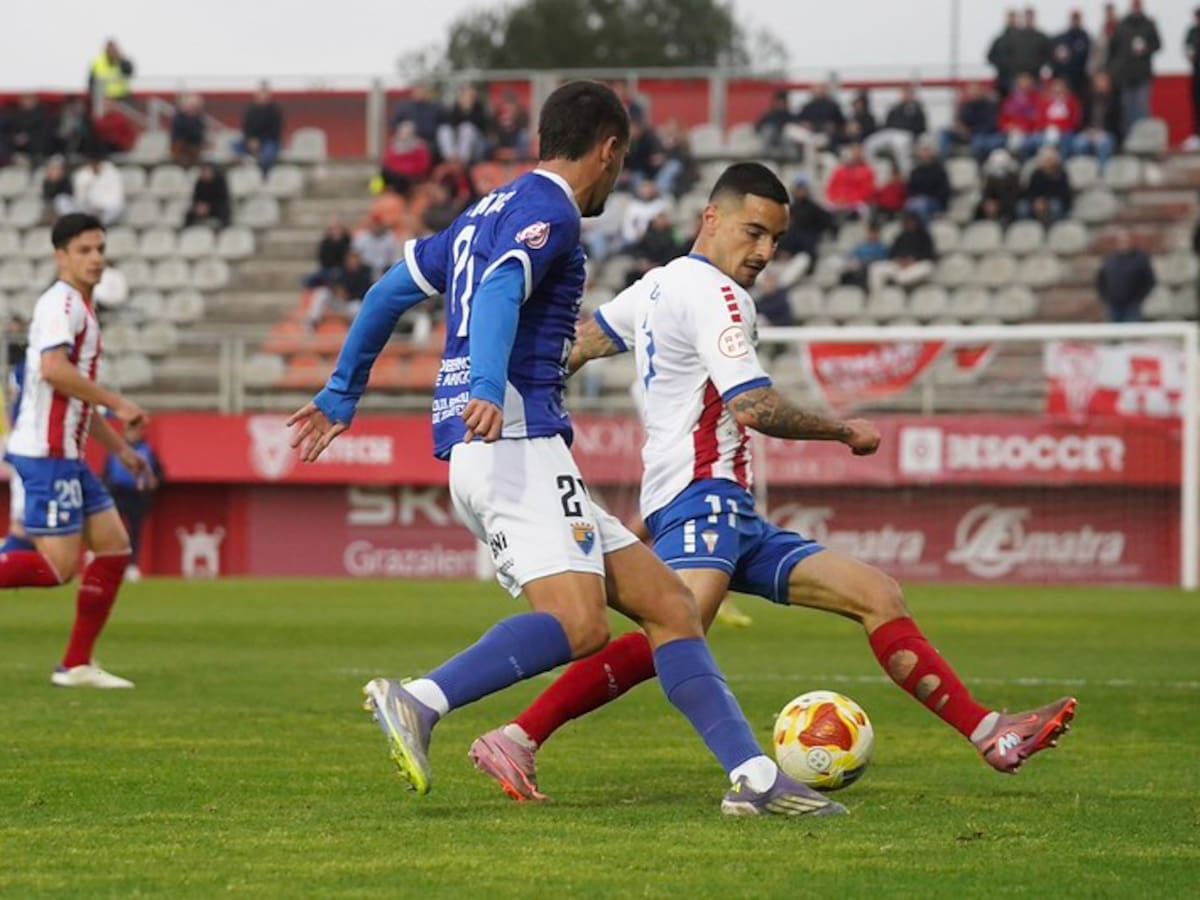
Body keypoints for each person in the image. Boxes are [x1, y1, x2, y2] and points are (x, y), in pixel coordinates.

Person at [287, 81, 846, 818]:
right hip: (512, 440)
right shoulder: (549, 209)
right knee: (581, 625)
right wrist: (488, 382)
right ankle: (420, 699)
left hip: (501, 445)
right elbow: (497, 287)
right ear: (609, 150)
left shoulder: (486, 208)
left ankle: (756, 778)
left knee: (671, 607)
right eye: (623, 160)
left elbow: (390, 292)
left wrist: (342, 390)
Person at [469, 162, 1076, 802]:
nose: (764, 252)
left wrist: (504, 374)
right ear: (712, 218)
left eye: (776, 240)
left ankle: (990, 733)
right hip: (703, 500)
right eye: (753, 232)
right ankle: (523, 736)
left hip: (732, 512)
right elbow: (752, 407)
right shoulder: (717, 294)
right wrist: (843, 431)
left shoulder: (655, 286)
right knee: (674, 631)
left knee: (876, 594)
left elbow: (583, 342)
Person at [0, 213, 151, 689]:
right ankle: (75, 664)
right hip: (47, 455)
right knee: (55, 568)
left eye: (100, 249)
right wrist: (118, 402)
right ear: (60, 256)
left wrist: (118, 447)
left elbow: (74, 396)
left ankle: (76, 664)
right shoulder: (59, 304)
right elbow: (53, 371)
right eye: (85, 250)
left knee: (113, 547)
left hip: (67, 452)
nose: (96, 259)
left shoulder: (82, 307)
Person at [103, 417, 161, 582]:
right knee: (113, 532)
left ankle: (132, 566)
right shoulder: (116, 449)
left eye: (136, 430)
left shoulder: (147, 450)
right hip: (117, 495)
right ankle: (111, 564)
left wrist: (152, 483)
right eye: (130, 430)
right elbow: (106, 473)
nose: (133, 433)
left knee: (135, 532)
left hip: (137, 496)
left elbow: (158, 474)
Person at [1109, 0, 1161, 132]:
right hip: (1125, 75)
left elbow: (1158, 45)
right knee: (1126, 108)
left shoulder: (1149, 24)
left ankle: (1144, 138)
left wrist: (1146, 49)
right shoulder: (1122, 25)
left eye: (1138, 6)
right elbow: (1113, 49)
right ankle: (1128, 138)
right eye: (1134, 6)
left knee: (1142, 107)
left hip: (1143, 74)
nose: (1136, 9)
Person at [868, 209, 936, 293]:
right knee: (875, 268)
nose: (909, 224)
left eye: (912, 221)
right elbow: (892, 253)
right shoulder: (901, 236)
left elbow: (929, 254)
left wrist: (913, 260)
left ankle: (901, 287)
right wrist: (898, 260)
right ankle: (877, 296)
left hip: (916, 265)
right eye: (907, 221)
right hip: (899, 265)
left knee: (927, 266)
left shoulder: (924, 236)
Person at [778, 174, 834, 273]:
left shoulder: (814, 209)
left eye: (803, 188)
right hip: (786, 254)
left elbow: (829, 223)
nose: (801, 191)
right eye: (799, 188)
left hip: (805, 253)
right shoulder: (790, 209)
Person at [1097, 228, 1155, 322]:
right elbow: (1100, 280)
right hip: (1113, 306)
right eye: (1121, 240)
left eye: (1126, 240)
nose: (1124, 242)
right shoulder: (1110, 259)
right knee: (1113, 334)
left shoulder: (1140, 259)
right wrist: (1106, 298)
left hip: (1132, 307)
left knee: (1132, 333)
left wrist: (1138, 298)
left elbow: (1149, 281)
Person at [865, 85, 926, 171]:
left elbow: (921, 127)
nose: (906, 95)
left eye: (908, 93)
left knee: (900, 145)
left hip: (906, 134)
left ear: (912, 95)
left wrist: (915, 136)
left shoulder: (917, 109)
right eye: (904, 93)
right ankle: (870, 170)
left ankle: (905, 172)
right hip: (890, 132)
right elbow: (886, 123)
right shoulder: (895, 108)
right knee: (870, 142)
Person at [939, 82, 1004, 160]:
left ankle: (978, 165)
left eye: (975, 91)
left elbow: (991, 126)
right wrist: (959, 128)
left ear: (981, 91)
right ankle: (944, 160)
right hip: (964, 133)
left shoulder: (989, 106)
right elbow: (960, 120)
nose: (972, 93)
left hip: (981, 134)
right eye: (970, 91)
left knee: (979, 141)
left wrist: (970, 131)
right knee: (944, 133)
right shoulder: (966, 106)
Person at [1071, 71, 1122, 163]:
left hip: (1107, 133)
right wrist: (1088, 131)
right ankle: (1083, 170)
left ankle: (1102, 173)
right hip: (1089, 132)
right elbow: (1082, 120)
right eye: (1098, 81)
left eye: (1103, 81)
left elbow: (1118, 124)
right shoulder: (1088, 100)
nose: (1101, 84)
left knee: (1103, 144)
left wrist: (1102, 132)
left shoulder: (1116, 101)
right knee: (1079, 143)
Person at [236, 82, 284, 173]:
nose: (261, 98)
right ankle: (249, 160)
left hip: (270, 141)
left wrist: (259, 142)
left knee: (268, 155)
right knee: (234, 146)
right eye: (260, 95)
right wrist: (250, 140)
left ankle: (264, 175)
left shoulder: (275, 111)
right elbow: (246, 128)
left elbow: (275, 131)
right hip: (251, 142)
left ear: (268, 97)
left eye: (264, 95)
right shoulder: (251, 111)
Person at [437, 84, 489, 165]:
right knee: (443, 129)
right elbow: (452, 124)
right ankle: (451, 158)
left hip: (476, 144)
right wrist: (461, 109)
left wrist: (468, 111)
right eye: (466, 95)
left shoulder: (479, 108)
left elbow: (481, 127)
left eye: (471, 95)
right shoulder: (456, 108)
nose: (468, 98)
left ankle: (461, 162)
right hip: (458, 143)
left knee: (467, 127)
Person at [1020, 146, 1073, 224]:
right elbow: (1030, 191)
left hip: (1056, 201)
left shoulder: (1061, 174)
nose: (1047, 162)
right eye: (1046, 159)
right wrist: (1035, 200)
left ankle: (1054, 227)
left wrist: (1046, 201)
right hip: (1038, 201)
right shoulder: (1036, 174)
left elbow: (1064, 194)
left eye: (1050, 159)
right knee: (1022, 207)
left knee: (1056, 206)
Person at [824, 142, 876, 220]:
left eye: (858, 152)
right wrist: (836, 198)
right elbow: (831, 187)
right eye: (853, 151)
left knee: (859, 210)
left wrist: (849, 200)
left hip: (856, 203)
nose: (855, 154)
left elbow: (867, 191)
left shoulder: (867, 170)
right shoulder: (840, 170)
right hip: (838, 201)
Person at [379, 121, 433, 196]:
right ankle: (376, 194)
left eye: (407, 133)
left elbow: (423, 167)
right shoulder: (393, 148)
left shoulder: (420, 148)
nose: (404, 136)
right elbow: (388, 163)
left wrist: (404, 170)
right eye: (402, 133)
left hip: (411, 177)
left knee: (400, 180)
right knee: (380, 176)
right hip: (395, 176)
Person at [71, 152, 125, 225]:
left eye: (97, 163)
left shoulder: (112, 173)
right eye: (92, 163)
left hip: (107, 208)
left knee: (119, 208)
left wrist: (100, 206)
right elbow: (80, 198)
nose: (95, 165)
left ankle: (98, 224)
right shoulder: (82, 175)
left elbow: (117, 197)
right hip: (88, 208)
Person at [1051, 10, 1093, 103]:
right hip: (1066, 78)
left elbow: (1089, 57)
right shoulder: (1062, 38)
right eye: (1074, 18)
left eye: (1077, 18)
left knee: (1079, 102)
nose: (1075, 21)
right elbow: (1057, 57)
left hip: (1080, 78)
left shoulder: (1085, 37)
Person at [905, 141, 951, 222]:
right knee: (910, 204)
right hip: (917, 200)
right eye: (923, 150)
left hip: (935, 201)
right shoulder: (915, 171)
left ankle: (923, 229)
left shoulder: (939, 170)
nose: (925, 153)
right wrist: (917, 197)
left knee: (920, 205)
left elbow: (944, 190)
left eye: (927, 150)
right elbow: (911, 189)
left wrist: (927, 198)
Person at [303, 218, 351, 291]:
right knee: (308, 280)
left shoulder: (347, 241)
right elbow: (323, 259)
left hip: (342, 270)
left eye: (338, 228)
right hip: (327, 269)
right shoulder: (325, 243)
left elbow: (347, 260)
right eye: (333, 229)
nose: (336, 231)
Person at [975, 149, 1022, 224]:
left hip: (1009, 206)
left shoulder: (1013, 178)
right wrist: (988, 203)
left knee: (1020, 208)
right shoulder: (990, 178)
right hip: (993, 206)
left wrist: (999, 205)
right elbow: (987, 193)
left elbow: (1014, 196)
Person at [184, 162, 231, 229]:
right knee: (189, 213)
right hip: (203, 206)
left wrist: (209, 207)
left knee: (223, 210)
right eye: (203, 171)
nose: (205, 173)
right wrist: (199, 206)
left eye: (207, 171)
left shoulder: (220, 181)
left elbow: (222, 198)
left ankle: (223, 229)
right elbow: (196, 197)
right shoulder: (199, 182)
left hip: (216, 206)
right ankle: (188, 230)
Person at [8, 93, 53, 164]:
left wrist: (28, 138)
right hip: (17, 150)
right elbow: (10, 129)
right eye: (24, 99)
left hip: (38, 151)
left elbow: (46, 134)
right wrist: (16, 138)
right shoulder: (14, 113)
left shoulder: (43, 114)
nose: (26, 102)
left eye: (29, 99)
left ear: (35, 100)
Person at [351, 216, 398, 280]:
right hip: (366, 268)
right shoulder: (362, 237)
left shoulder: (390, 237)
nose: (376, 227)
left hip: (385, 268)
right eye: (374, 225)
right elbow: (354, 254)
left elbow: (394, 257)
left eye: (378, 225)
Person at [988, 10, 1021, 96]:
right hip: (1002, 78)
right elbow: (990, 56)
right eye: (1010, 18)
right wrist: (1001, 64)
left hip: (1018, 78)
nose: (1012, 20)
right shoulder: (999, 39)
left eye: (1014, 18)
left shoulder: (1023, 39)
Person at [170, 94, 207, 168]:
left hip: (194, 148)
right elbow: (182, 133)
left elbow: (198, 135)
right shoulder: (179, 118)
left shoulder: (199, 120)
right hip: (181, 149)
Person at [41, 156, 75, 223]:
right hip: (51, 206)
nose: (56, 171)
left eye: (58, 169)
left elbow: (69, 195)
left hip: (66, 205)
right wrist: (53, 182)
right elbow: (48, 196)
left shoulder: (66, 181)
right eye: (53, 169)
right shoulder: (47, 182)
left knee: (61, 200)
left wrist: (59, 180)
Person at [1187, 7, 1200, 147]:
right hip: (1196, 73)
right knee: (1196, 104)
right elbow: (1187, 47)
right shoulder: (1192, 32)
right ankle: (1197, 136)